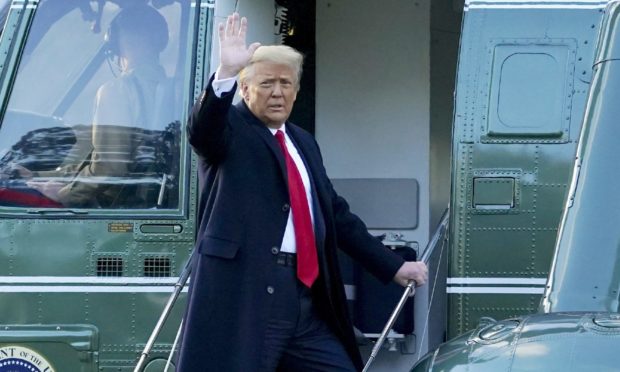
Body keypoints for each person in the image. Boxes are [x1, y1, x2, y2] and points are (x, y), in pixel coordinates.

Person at [178, 13, 429, 372]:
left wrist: (393, 267)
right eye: (266, 83)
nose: (277, 92)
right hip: (248, 295)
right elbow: (202, 131)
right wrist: (225, 75)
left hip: (305, 297)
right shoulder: (230, 127)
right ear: (245, 89)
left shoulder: (303, 142)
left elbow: (336, 215)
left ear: (297, 90)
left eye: (286, 83)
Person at [27, 3, 173, 208]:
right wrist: (38, 175)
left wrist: (65, 194)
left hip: (113, 205)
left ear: (117, 41)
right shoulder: (171, 89)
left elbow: (110, 166)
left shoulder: (117, 90)